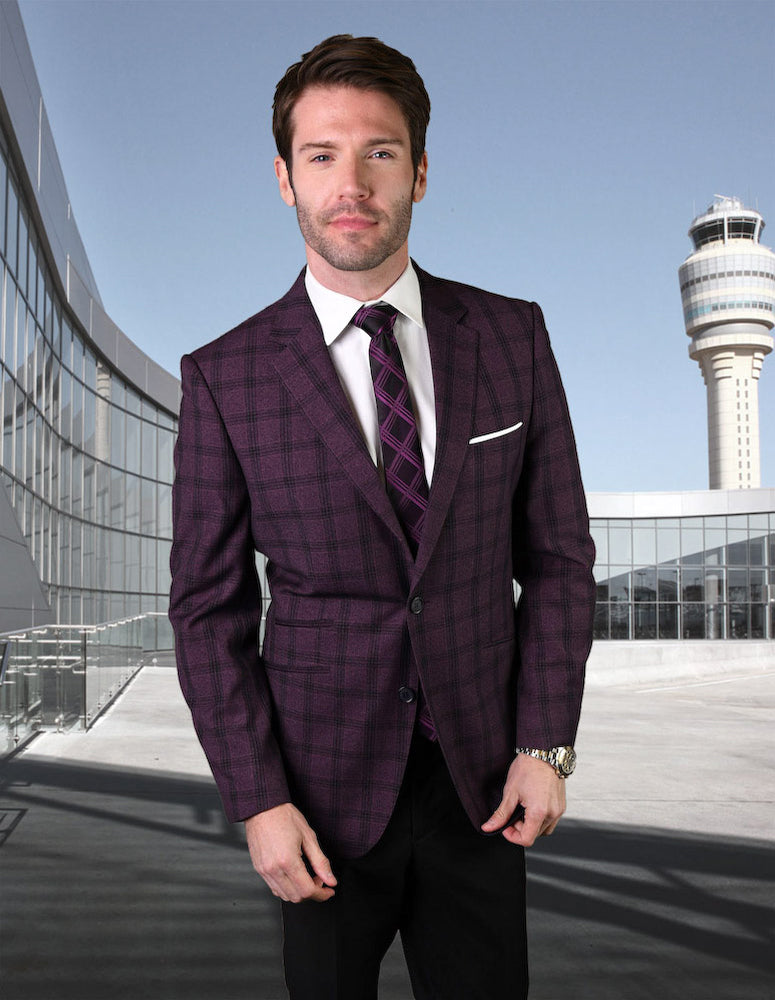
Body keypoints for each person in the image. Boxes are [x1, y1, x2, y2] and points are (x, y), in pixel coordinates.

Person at [169, 33, 595, 1000]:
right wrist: (257, 800)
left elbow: (561, 559)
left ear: (421, 171)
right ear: (284, 178)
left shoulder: (510, 335)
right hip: (316, 802)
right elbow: (208, 613)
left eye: (380, 151)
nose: (350, 181)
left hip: (485, 789)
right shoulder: (224, 376)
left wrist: (545, 745)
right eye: (320, 155)